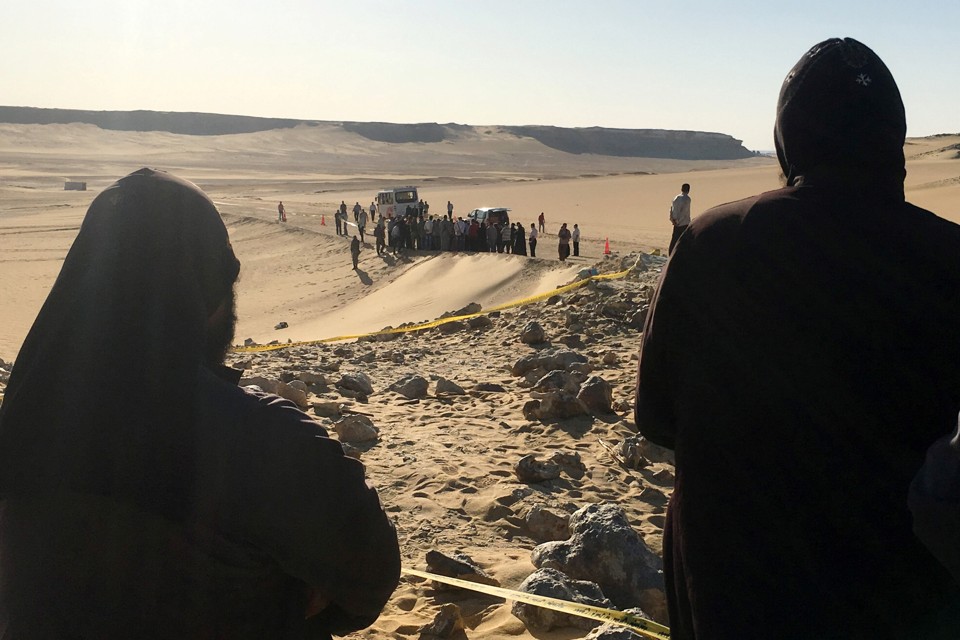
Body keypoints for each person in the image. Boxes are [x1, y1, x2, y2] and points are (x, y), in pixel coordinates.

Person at [635, 38, 960, 640]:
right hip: (904, 600)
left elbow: (656, 418)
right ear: (894, 138)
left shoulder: (715, 242)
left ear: (789, 136)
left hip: (737, 597)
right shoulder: (951, 258)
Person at [0, 169, 401, 639]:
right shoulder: (261, 438)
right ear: (207, 295)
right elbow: (371, 575)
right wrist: (296, 593)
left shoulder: (23, 425)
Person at [668, 183, 691, 253]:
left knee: (675, 240)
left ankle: (671, 254)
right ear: (688, 190)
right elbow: (684, 211)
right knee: (684, 240)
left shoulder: (676, 197)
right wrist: (679, 221)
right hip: (683, 223)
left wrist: (673, 220)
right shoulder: (687, 199)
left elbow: (672, 209)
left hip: (676, 222)